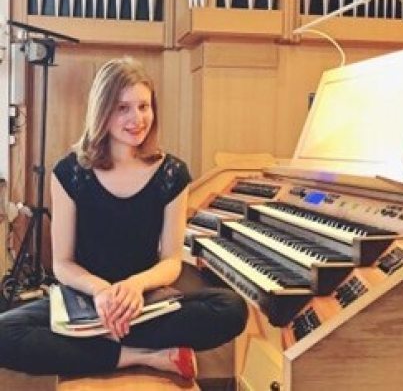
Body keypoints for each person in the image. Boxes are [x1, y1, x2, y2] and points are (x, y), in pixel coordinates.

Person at [0, 57, 248, 378]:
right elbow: (63, 263)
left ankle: (95, 344)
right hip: (86, 298)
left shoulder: (172, 173)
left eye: (144, 106)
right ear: (102, 111)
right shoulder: (69, 172)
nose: (137, 118)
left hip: (144, 304)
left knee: (231, 309)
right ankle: (135, 355)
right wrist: (102, 292)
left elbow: (171, 261)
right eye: (123, 108)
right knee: (3, 334)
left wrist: (134, 286)